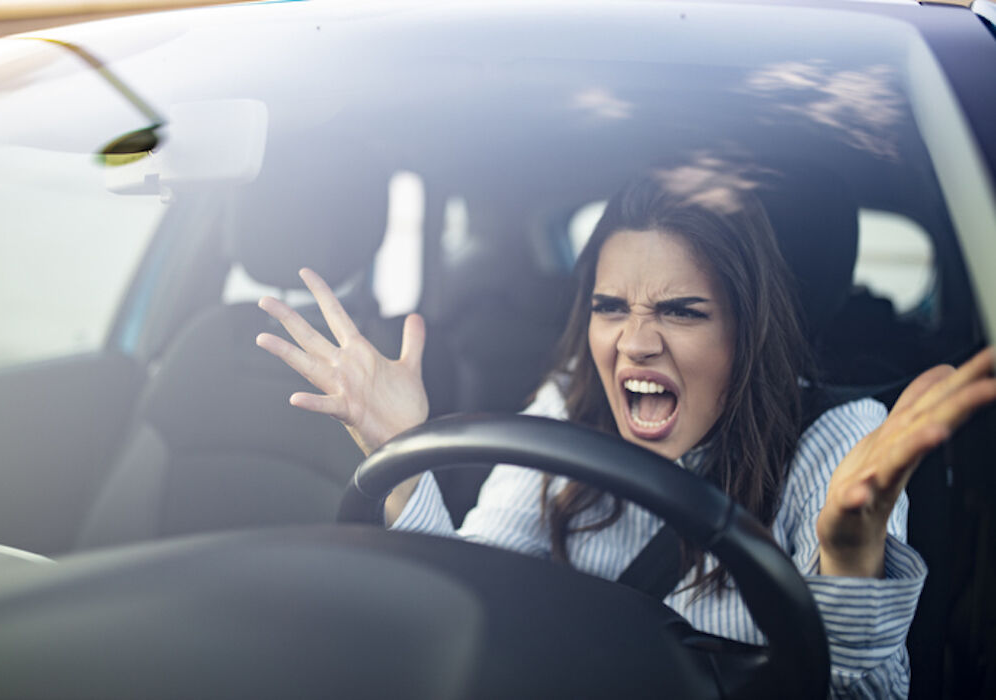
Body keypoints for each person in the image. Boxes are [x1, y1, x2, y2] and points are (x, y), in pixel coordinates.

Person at [255, 175, 996, 698]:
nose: (633, 343)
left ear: (747, 332)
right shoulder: (568, 402)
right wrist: (404, 456)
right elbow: (471, 600)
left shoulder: (840, 440)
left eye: (680, 311)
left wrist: (850, 556)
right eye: (611, 307)